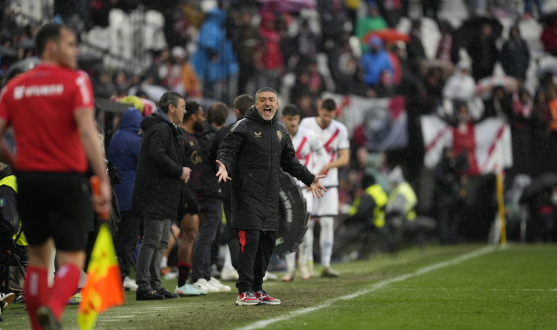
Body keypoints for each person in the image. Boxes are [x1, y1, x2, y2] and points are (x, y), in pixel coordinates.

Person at [0, 24, 111, 329]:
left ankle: (39, 323)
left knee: (37, 258)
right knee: (72, 258)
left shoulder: (15, 87)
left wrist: (15, 163)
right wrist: (102, 181)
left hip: (29, 181)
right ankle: (53, 307)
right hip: (65, 179)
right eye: (71, 44)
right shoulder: (75, 81)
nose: (76, 51)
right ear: (51, 48)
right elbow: (88, 132)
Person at [216, 87, 326, 306]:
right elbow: (227, 149)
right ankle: (244, 291)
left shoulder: (280, 130)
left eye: (271, 100)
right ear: (256, 104)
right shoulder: (243, 126)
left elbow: (290, 162)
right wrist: (224, 165)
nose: (267, 103)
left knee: (267, 243)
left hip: (270, 197)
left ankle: (257, 289)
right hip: (246, 195)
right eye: (263, 100)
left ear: (277, 105)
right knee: (252, 240)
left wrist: (310, 178)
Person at [132, 91, 189, 301]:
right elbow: (157, 155)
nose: (185, 111)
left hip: (163, 194)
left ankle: (155, 284)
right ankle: (143, 286)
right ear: (171, 108)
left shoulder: (166, 127)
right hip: (154, 194)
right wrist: (179, 171)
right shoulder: (160, 128)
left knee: (162, 240)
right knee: (152, 239)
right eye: (182, 106)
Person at [177, 101, 230, 293]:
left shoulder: (198, 136)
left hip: (202, 190)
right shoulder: (211, 137)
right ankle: (199, 275)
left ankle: (205, 274)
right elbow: (214, 164)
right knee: (203, 235)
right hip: (208, 190)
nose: (202, 119)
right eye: (199, 115)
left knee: (206, 235)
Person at [300, 98, 350, 277]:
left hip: (330, 184)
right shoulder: (306, 124)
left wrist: (328, 165)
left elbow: (345, 157)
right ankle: (307, 262)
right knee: (309, 223)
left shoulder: (340, 130)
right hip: (309, 183)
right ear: (319, 110)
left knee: (328, 222)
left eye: (330, 116)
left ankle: (326, 264)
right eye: (324, 114)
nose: (327, 118)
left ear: (335, 114)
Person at [211, 94, 253, 282]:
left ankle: (239, 266)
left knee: (233, 229)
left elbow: (214, 160)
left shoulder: (223, 132)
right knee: (254, 229)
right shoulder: (259, 131)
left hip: (228, 187)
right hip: (253, 188)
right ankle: (250, 269)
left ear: (236, 111)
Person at [280, 104, 324, 282]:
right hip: (286, 190)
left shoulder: (309, 136)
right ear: (283, 119)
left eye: (295, 119)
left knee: (306, 226)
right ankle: (290, 268)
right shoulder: (278, 136)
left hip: (306, 188)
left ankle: (305, 264)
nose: (293, 123)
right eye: (289, 120)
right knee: (287, 227)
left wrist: (312, 177)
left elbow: (322, 155)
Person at [107, 108, 143, 292]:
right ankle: (123, 276)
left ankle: (116, 274)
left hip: (116, 195)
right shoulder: (135, 141)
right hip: (131, 197)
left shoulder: (116, 137)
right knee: (128, 241)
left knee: (117, 239)